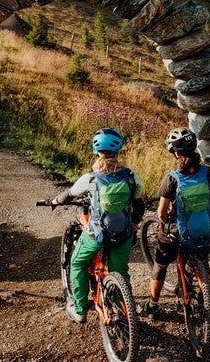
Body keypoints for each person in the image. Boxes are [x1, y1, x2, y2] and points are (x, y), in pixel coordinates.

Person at [50, 127, 144, 323]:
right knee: (120, 272)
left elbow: (68, 195)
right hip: (123, 234)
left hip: (97, 235)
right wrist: (134, 227)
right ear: (118, 151)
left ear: (96, 151)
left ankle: (80, 310)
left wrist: (55, 201)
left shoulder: (90, 178)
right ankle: (124, 312)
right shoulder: (130, 175)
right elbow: (139, 206)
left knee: (77, 263)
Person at [144, 126, 210, 318]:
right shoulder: (208, 173)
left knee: (160, 263)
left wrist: (163, 223)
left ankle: (152, 305)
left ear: (175, 153)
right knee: (201, 260)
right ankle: (204, 298)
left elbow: (161, 213)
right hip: (202, 228)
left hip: (176, 232)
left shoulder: (172, 179)